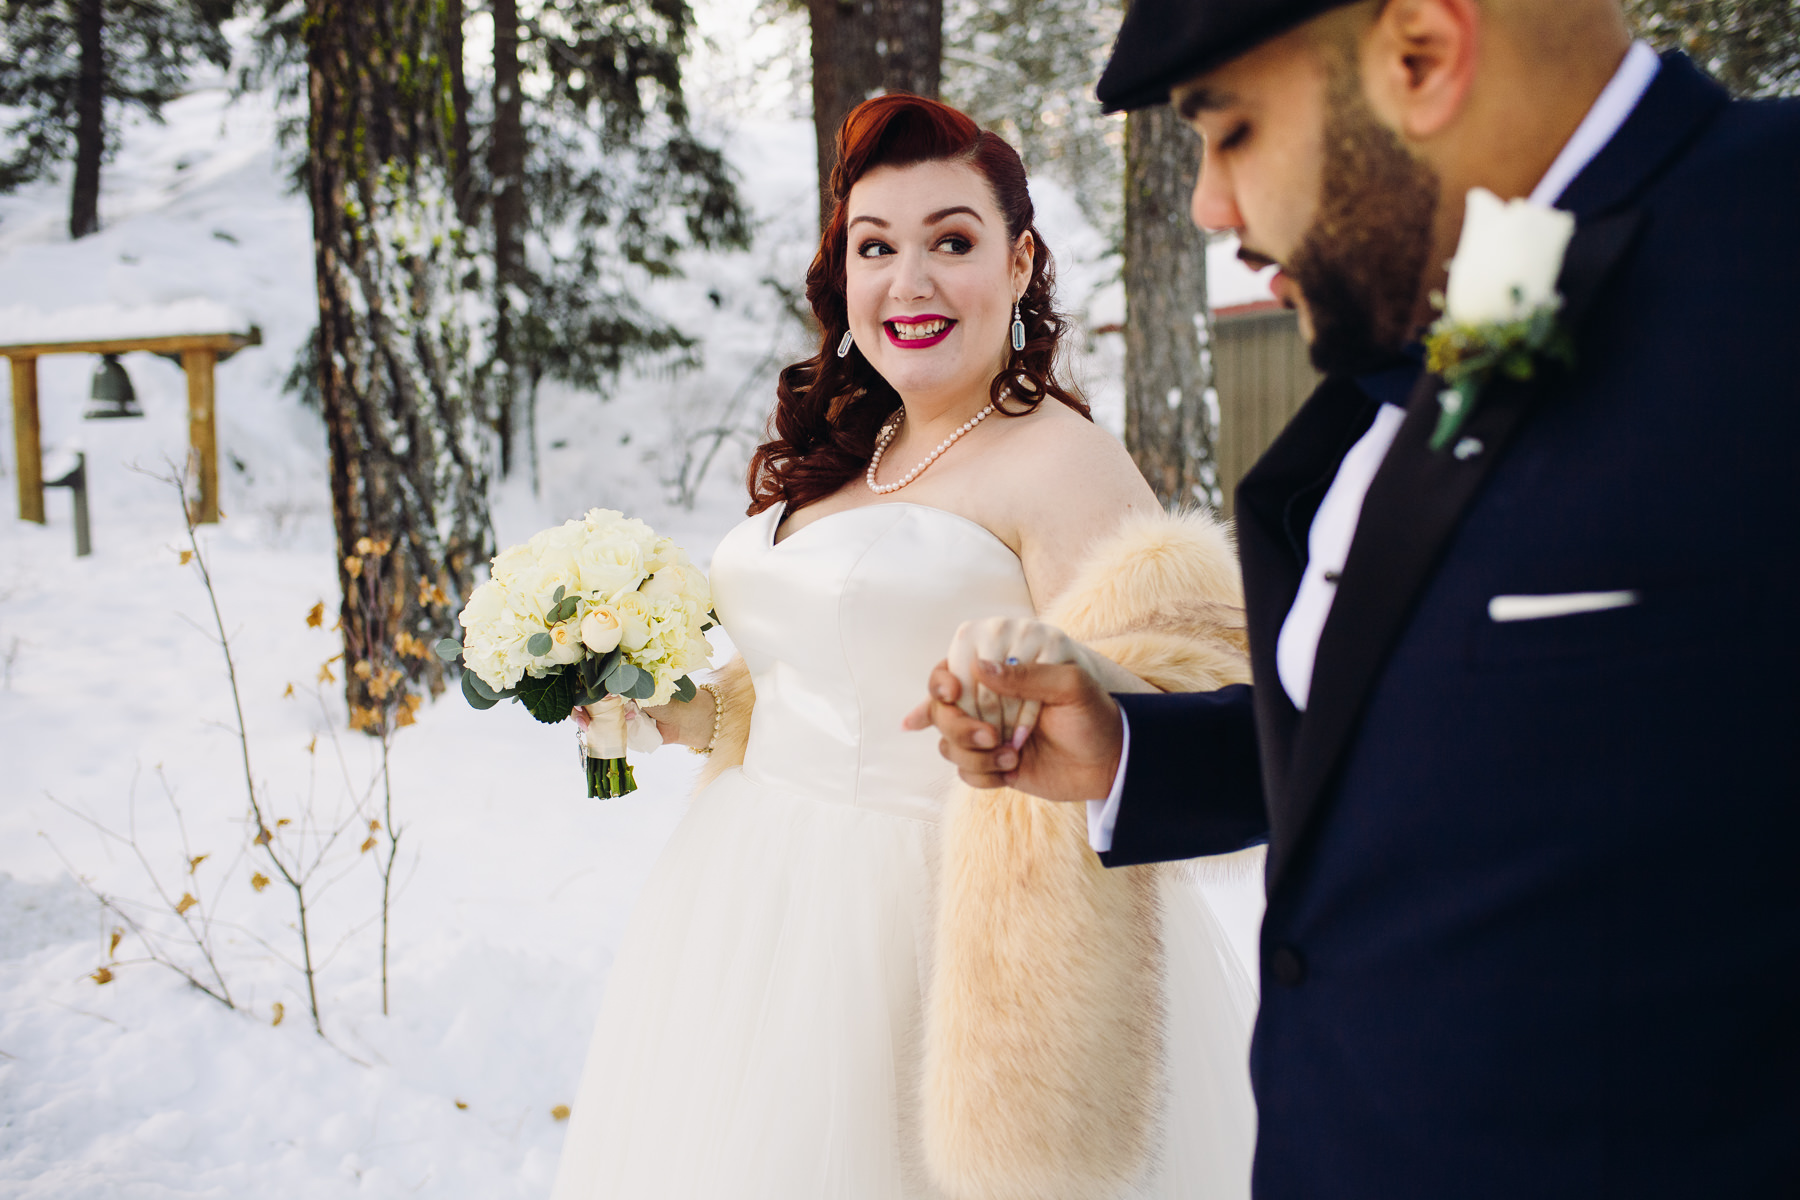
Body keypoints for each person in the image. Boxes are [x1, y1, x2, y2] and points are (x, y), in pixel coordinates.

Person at [914, 1, 1800, 1197]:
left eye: (1230, 133)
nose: (1208, 207)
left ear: (1421, 55)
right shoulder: (1482, 300)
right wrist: (1132, 752)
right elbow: (1465, 714)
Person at [550, 94, 1258, 1200]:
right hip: (750, 913)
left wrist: (1049, 687)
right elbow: (826, 671)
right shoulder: (854, 448)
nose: (910, 282)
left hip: (937, 933)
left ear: (1019, 264)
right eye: (876, 247)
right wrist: (687, 712)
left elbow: (1194, 700)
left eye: (953, 242)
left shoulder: (1058, 461)